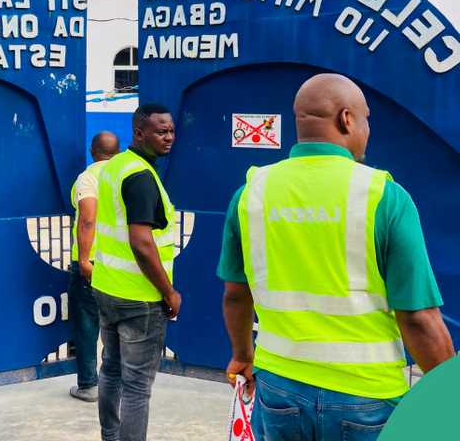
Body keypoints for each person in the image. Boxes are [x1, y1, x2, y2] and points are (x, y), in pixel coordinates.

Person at [219, 73, 455, 440]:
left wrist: (242, 355)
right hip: (367, 396)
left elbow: (236, 293)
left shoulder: (251, 193)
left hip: (279, 388)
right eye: (366, 119)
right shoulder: (383, 196)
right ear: (347, 119)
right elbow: (419, 317)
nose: (368, 129)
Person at [92, 104, 180, 441]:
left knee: (111, 371)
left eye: (171, 130)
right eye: (161, 131)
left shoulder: (117, 166)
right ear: (139, 132)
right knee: (137, 387)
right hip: (140, 298)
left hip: (108, 289)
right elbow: (142, 242)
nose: (169, 137)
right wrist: (168, 291)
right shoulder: (141, 176)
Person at [68, 131, 120, 402]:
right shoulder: (125, 175)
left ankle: (89, 384)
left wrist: (85, 259)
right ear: (119, 151)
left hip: (93, 263)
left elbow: (87, 219)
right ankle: (115, 382)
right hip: (122, 266)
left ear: (92, 151)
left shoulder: (88, 178)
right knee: (118, 325)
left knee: (88, 324)